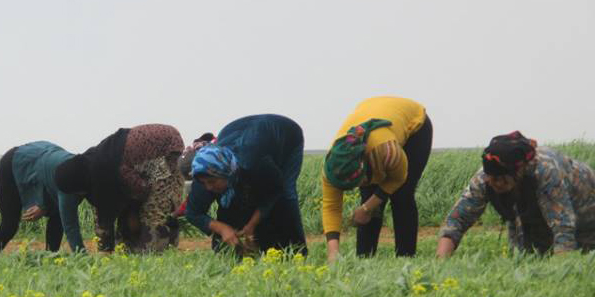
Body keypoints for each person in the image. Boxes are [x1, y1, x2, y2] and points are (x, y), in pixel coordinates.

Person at [437, 131, 595, 257]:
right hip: (524, 198)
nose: (496, 183)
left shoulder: (545, 172)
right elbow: (457, 220)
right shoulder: (484, 178)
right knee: (525, 257)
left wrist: (561, 274)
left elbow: (563, 226)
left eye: (502, 179)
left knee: (594, 253)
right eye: (492, 178)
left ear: (519, 171)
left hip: (583, 196)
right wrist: (440, 264)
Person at [322, 97, 432, 262]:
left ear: (363, 167)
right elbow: (331, 207)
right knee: (368, 196)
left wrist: (367, 208)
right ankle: (365, 260)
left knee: (402, 195)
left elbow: (398, 178)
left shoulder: (387, 151)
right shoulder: (332, 166)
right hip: (371, 120)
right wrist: (333, 252)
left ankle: (405, 258)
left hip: (414, 125)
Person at [184, 115, 307, 256]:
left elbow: (275, 190)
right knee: (234, 201)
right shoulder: (204, 174)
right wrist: (223, 229)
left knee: (286, 194)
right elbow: (192, 212)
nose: (208, 187)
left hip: (285, 134)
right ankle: (237, 252)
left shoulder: (256, 165)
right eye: (204, 183)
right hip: (235, 131)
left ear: (227, 173)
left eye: (212, 182)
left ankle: (296, 251)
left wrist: (252, 225)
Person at [55, 124, 184, 253]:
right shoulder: (92, 163)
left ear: (78, 184)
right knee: (124, 214)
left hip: (165, 147)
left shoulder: (106, 172)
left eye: (77, 192)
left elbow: (142, 189)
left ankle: (159, 253)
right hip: (152, 148)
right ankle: (138, 249)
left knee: (154, 211)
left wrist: (133, 211)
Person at [0, 141, 87, 256]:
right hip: (15, 163)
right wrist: (42, 204)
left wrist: (44, 206)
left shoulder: (84, 179)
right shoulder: (69, 180)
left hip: (43, 161)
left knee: (58, 215)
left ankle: (51, 256)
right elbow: (71, 225)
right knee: (9, 224)